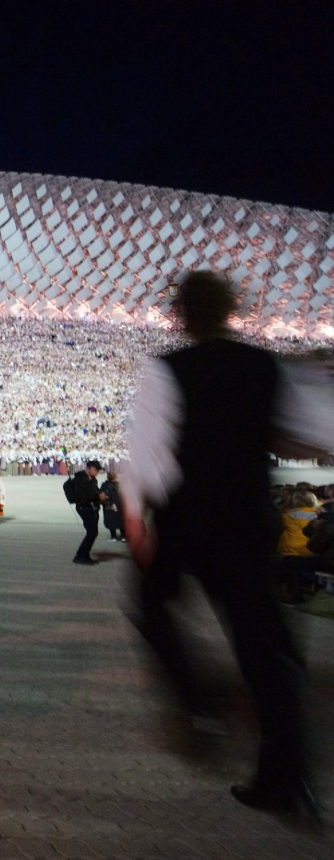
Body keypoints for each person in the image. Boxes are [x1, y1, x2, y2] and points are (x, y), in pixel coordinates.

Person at [123, 270, 334, 817]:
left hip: (188, 519)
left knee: (151, 606)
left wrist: (136, 519)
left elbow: (147, 453)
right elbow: (308, 435)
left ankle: (200, 700)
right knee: (264, 647)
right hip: (246, 522)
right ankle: (287, 782)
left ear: (182, 315)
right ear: (228, 311)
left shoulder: (167, 370)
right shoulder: (263, 367)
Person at [69, 460, 106, 564]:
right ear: (88, 468)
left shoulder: (92, 479)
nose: (97, 472)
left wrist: (100, 496)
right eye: (95, 470)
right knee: (92, 532)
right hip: (84, 507)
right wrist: (98, 496)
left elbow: (94, 491)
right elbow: (82, 496)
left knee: (92, 533)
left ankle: (84, 555)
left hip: (92, 507)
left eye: (98, 470)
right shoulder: (80, 479)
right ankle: (80, 556)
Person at [101, 471, 124, 541]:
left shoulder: (104, 485)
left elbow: (102, 495)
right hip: (119, 505)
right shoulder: (120, 485)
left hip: (109, 505)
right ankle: (124, 537)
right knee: (121, 520)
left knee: (110, 520)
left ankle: (113, 537)